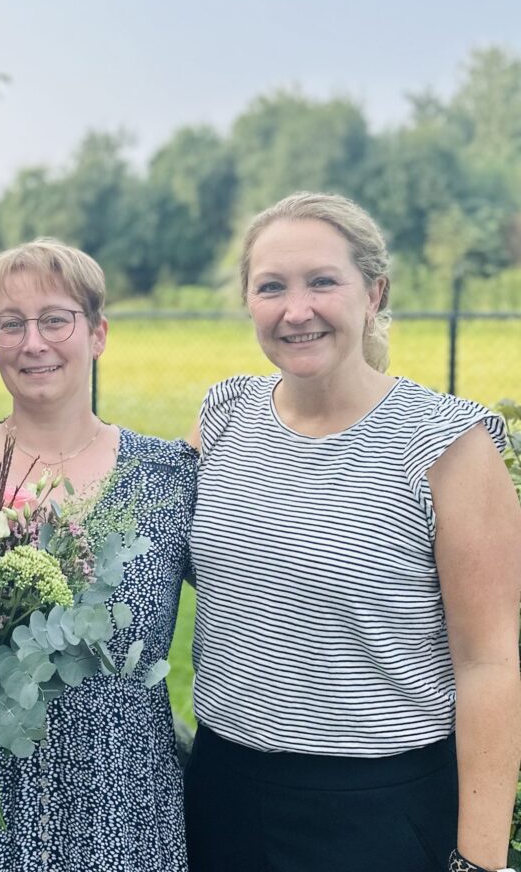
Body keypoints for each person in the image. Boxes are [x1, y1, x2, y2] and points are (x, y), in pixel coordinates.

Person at [183, 192, 521, 872]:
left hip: (380, 813)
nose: (296, 310)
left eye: (322, 282)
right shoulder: (224, 415)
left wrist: (479, 864)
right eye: (271, 287)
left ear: (374, 293)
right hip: (223, 795)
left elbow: (488, 662)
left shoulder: (448, 444)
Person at [0, 238, 196, 872]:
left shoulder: (169, 478)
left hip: (121, 808)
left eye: (55, 320)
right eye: (11, 324)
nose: (33, 343)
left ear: (98, 333)